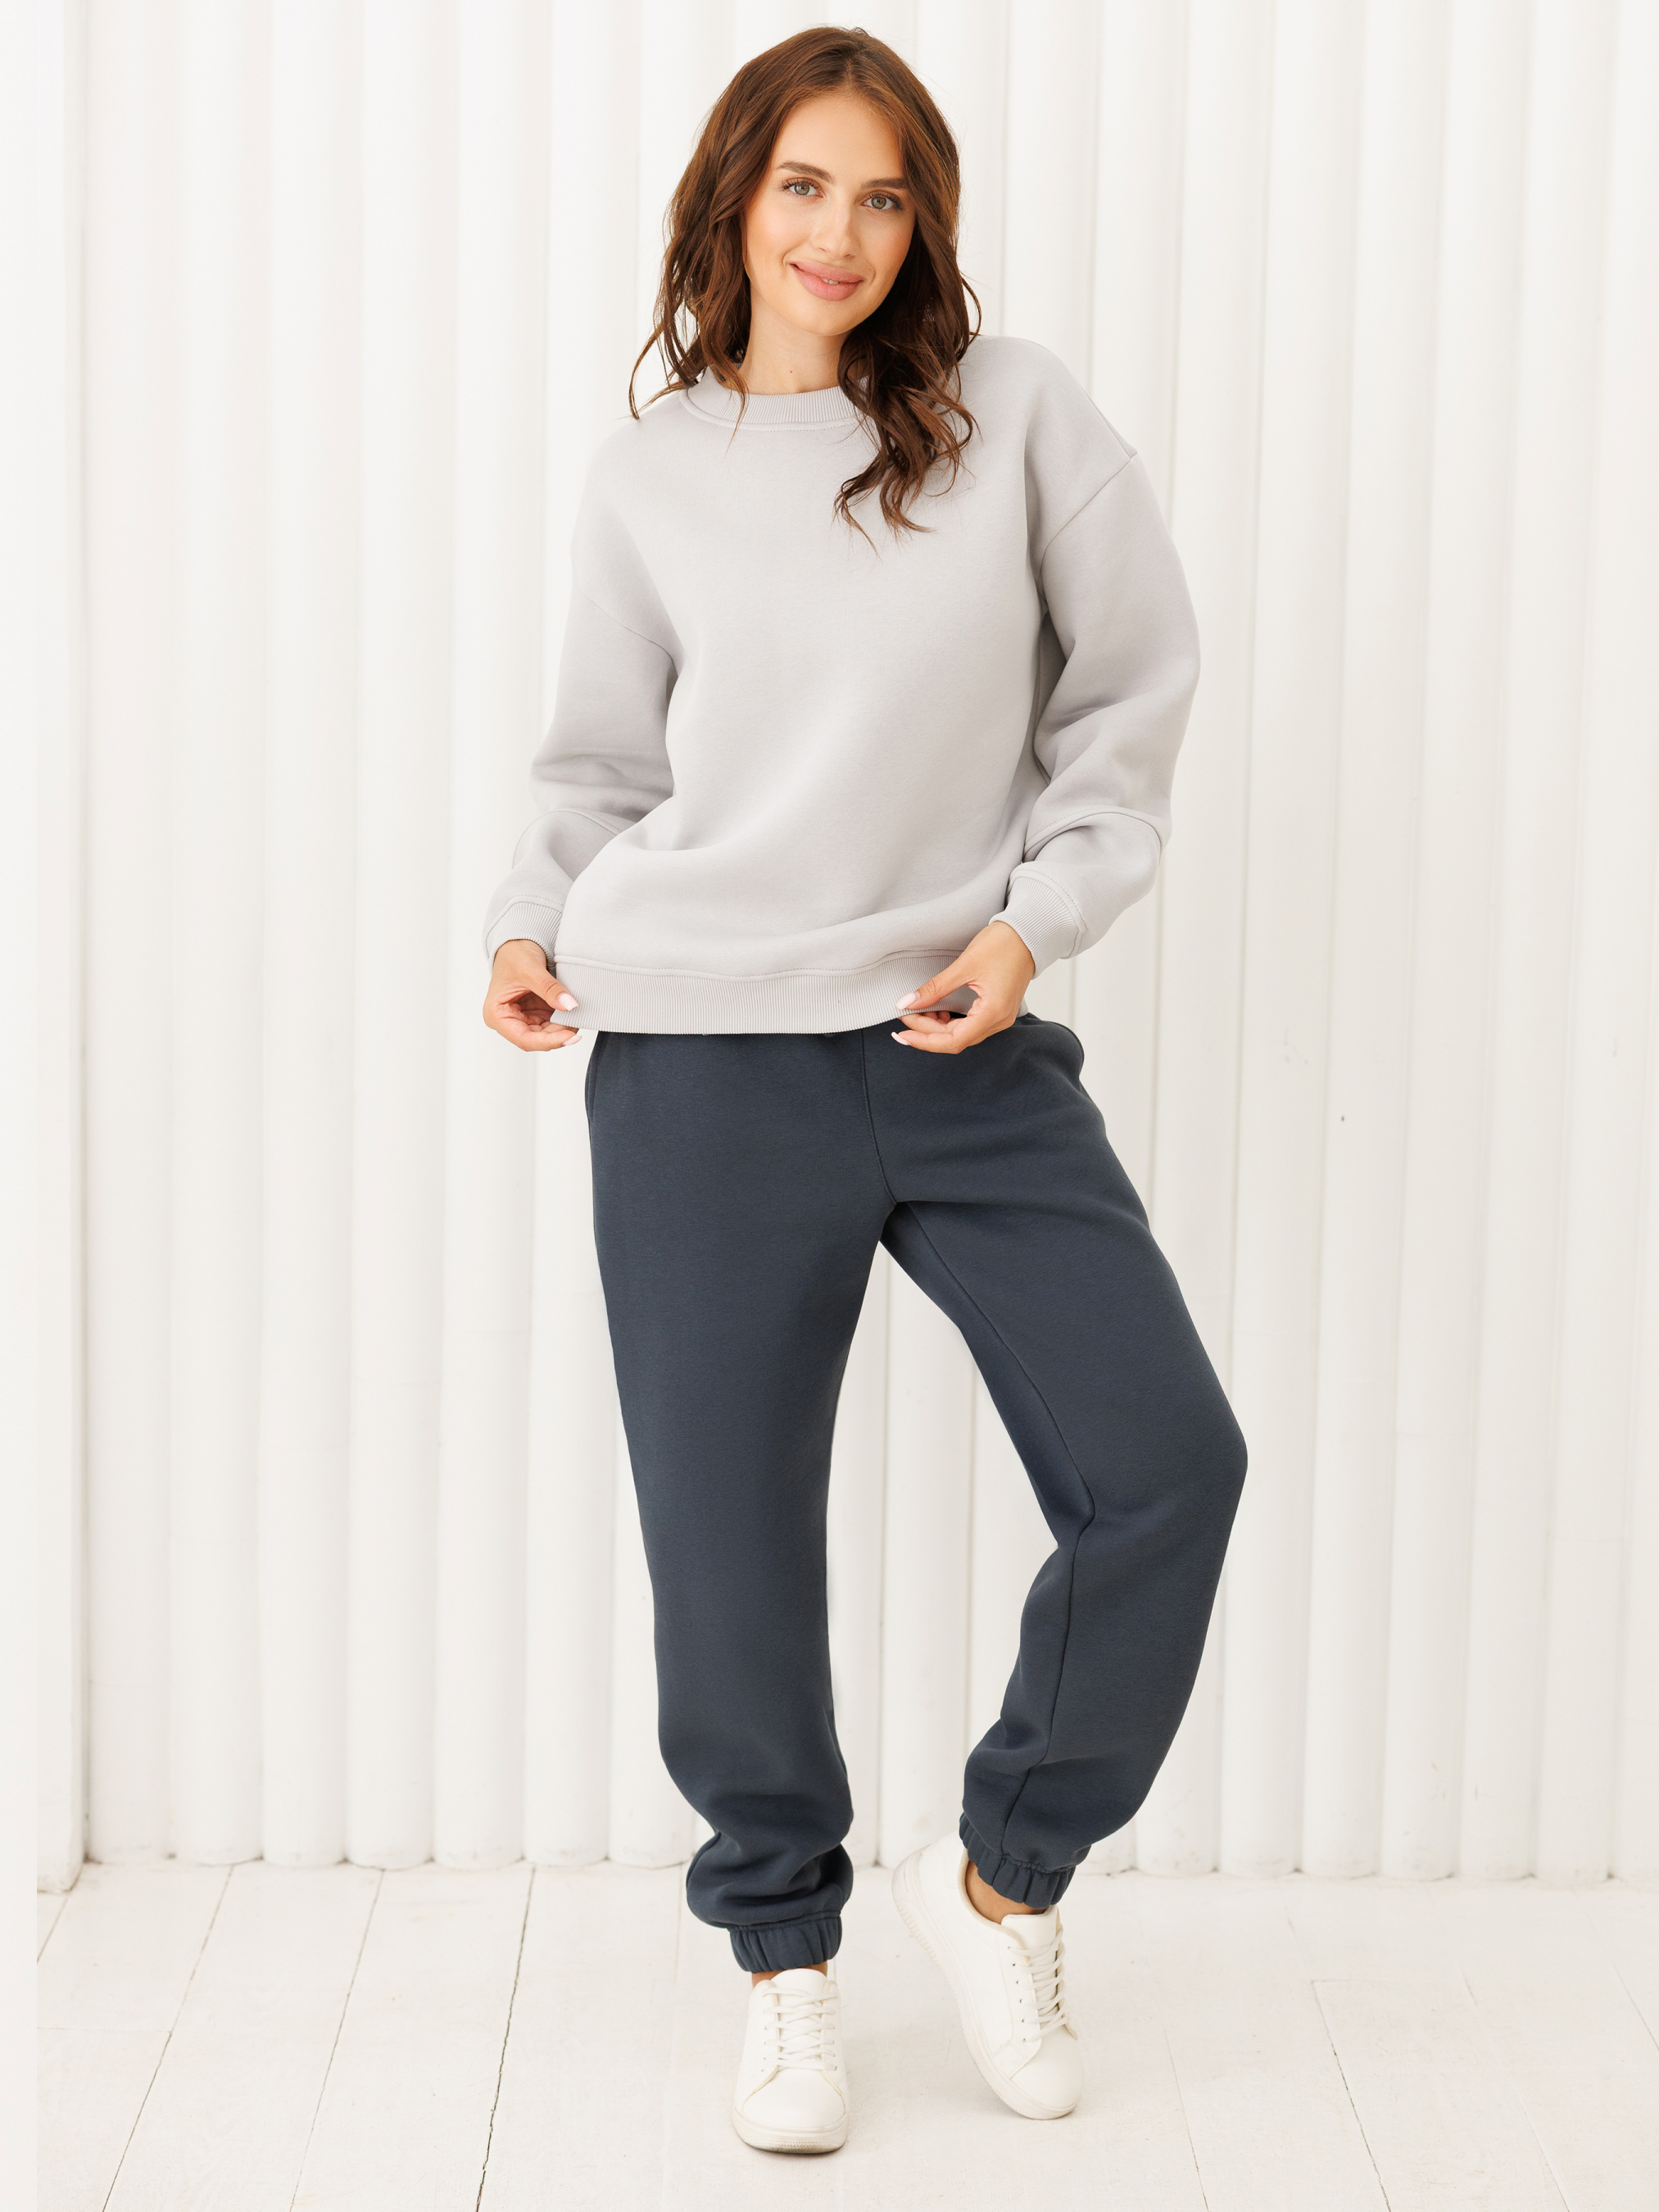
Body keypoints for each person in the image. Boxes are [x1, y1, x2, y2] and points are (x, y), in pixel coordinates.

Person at [482, 25, 1247, 2159]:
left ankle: (1000, 1883)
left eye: (884, 194)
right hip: (698, 1062)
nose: (840, 232)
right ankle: (782, 1960)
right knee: (730, 1543)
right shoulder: (651, 475)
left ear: (926, 222)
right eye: (803, 185)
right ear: (733, 199)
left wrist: (1038, 921)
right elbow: (594, 769)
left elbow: (1131, 693)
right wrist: (529, 922)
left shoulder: (1012, 420)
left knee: (1167, 1465)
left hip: (958, 1041)